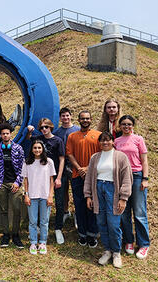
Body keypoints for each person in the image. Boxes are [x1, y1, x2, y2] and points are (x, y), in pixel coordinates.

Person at [84, 132, 132, 268]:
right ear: (99, 143)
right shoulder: (95, 157)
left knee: (113, 223)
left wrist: (123, 198)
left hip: (113, 190)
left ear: (112, 141)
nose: (105, 143)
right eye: (102, 141)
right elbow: (89, 178)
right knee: (101, 222)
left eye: (108, 140)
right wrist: (88, 195)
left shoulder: (121, 157)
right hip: (98, 189)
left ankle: (116, 252)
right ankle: (107, 250)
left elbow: (127, 178)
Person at [115, 115, 150, 259]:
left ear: (133, 126)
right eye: (123, 124)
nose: (126, 126)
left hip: (136, 176)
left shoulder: (138, 139)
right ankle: (128, 240)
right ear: (120, 126)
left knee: (139, 212)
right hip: (122, 177)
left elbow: (144, 160)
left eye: (129, 124)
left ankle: (144, 244)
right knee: (124, 212)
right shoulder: (116, 141)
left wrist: (145, 178)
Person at [27, 118, 65, 244]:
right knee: (38, 208)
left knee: (58, 203)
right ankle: (36, 232)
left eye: (46, 127)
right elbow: (29, 140)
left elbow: (62, 159)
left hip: (54, 177)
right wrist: (29, 131)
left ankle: (58, 229)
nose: (44, 129)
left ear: (51, 127)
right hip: (39, 180)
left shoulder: (57, 140)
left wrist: (58, 177)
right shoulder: (38, 139)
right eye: (42, 127)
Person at [66, 111, 101, 247]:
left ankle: (92, 234)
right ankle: (82, 234)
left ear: (91, 119)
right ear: (78, 120)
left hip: (94, 176)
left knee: (92, 206)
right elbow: (70, 154)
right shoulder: (72, 136)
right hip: (77, 176)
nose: (85, 120)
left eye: (87, 118)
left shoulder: (98, 135)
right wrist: (80, 168)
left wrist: (88, 168)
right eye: (83, 118)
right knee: (79, 205)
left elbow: (101, 154)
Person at [0, 123, 25, 249]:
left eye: (7, 133)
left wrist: (18, 182)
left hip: (15, 182)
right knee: (3, 210)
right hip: (1, 183)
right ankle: (6, 235)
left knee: (16, 209)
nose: (5, 135)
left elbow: (23, 167)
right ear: (1, 135)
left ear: (10, 134)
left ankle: (15, 234)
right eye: (3, 133)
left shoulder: (18, 148)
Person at [22, 140, 56, 255]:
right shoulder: (27, 162)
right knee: (32, 221)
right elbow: (25, 180)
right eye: (35, 148)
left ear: (43, 149)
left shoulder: (49, 162)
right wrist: (26, 195)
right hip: (32, 196)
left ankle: (42, 242)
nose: (37, 150)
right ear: (32, 149)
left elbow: (52, 181)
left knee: (44, 221)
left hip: (45, 196)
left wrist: (50, 195)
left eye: (39, 148)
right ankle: (33, 242)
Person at [53, 107, 80, 227]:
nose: (65, 118)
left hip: (75, 165)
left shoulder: (77, 130)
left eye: (67, 115)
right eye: (63, 116)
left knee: (77, 191)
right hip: (61, 166)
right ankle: (65, 211)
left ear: (71, 116)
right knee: (63, 191)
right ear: (60, 118)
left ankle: (77, 214)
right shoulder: (57, 133)